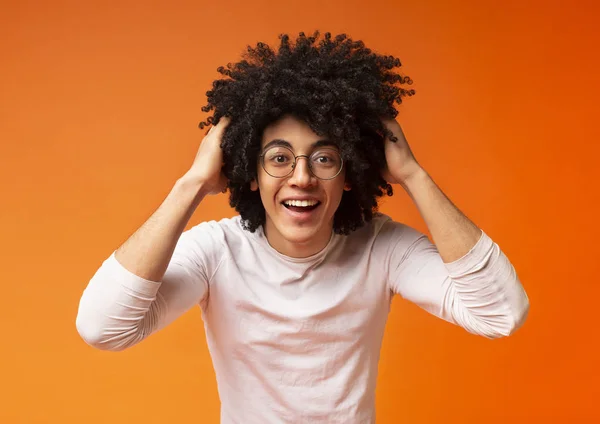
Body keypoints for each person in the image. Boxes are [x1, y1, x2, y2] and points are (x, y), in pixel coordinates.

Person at [75, 31, 529, 423]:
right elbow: (103, 327)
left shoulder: (382, 247)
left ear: (350, 173)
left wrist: (412, 173)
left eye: (324, 158)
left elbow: (501, 314)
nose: (302, 177)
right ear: (250, 174)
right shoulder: (217, 251)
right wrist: (193, 183)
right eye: (278, 158)